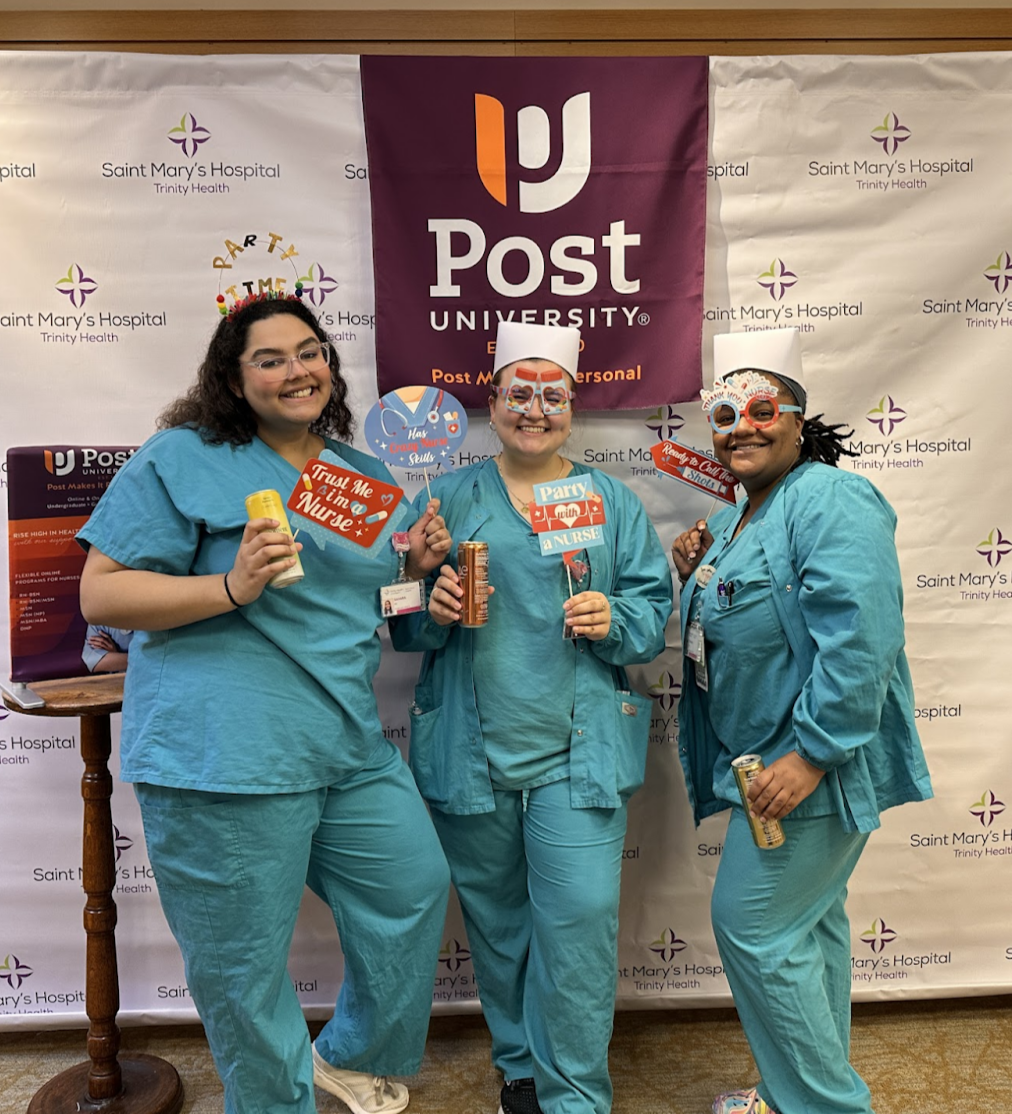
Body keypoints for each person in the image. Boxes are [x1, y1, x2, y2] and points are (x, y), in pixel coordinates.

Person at [77, 289, 453, 1114]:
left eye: (309, 351)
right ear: (232, 377)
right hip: (226, 754)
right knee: (243, 972)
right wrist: (230, 584)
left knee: (412, 887)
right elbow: (101, 596)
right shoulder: (181, 455)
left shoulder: (359, 474)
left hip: (345, 744)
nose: (297, 370)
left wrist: (416, 571)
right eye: (270, 358)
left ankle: (350, 1058)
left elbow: (369, 604)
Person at [392, 321, 673, 1114]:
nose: (536, 409)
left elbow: (653, 612)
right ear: (493, 402)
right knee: (498, 920)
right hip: (469, 748)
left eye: (553, 395)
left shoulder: (606, 501)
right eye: (521, 393)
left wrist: (612, 615)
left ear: (573, 408)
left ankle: (575, 1092)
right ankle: (519, 1063)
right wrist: (429, 600)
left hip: (575, 752)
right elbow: (394, 618)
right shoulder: (444, 499)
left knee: (579, 920)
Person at [670, 329, 933, 1114]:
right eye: (724, 413)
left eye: (760, 409)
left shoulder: (829, 497)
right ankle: (796, 1094)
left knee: (753, 929)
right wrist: (693, 571)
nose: (740, 426)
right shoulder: (737, 517)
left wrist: (812, 754)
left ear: (796, 419)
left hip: (809, 772)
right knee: (808, 934)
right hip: (759, 765)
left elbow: (863, 639)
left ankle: (822, 1106)